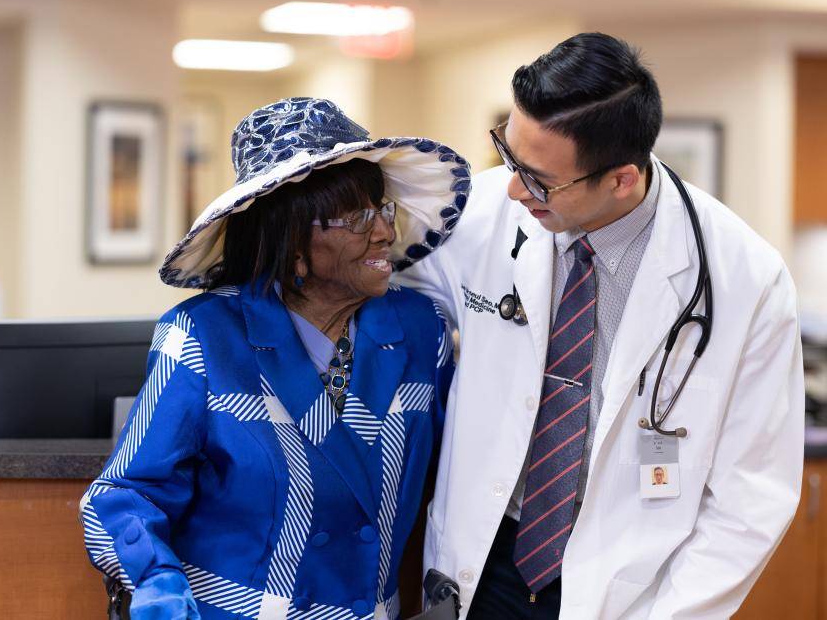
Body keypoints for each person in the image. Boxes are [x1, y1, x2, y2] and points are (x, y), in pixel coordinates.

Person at [397, 33, 804, 618]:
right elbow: (375, 289)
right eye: (506, 154)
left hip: (632, 590)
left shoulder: (746, 280)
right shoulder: (482, 212)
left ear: (622, 180)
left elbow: (750, 499)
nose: (513, 188)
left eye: (538, 179)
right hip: (483, 562)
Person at [79, 97, 469, 619]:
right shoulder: (203, 337)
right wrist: (156, 581)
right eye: (357, 218)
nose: (383, 232)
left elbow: (457, 473)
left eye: (382, 209)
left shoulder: (422, 329)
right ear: (291, 242)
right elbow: (123, 495)